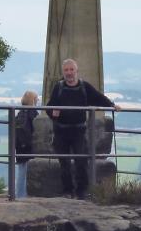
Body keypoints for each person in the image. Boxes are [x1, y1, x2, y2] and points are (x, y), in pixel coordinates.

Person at [47, 58, 120, 199]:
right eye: (66, 70)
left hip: (78, 131)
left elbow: (98, 97)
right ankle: (67, 191)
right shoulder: (59, 87)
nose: (69, 73)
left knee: (81, 161)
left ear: (76, 71)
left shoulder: (84, 87)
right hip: (61, 131)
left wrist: (112, 105)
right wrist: (52, 113)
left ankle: (82, 192)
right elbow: (50, 107)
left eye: (71, 69)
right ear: (63, 72)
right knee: (64, 163)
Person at [14, 90, 39, 198]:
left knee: (21, 170)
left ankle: (19, 194)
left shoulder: (19, 113)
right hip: (29, 145)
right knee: (26, 171)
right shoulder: (32, 113)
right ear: (33, 100)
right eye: (36, 98)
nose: (37, 100)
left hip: (20, 146)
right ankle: (23, 195)